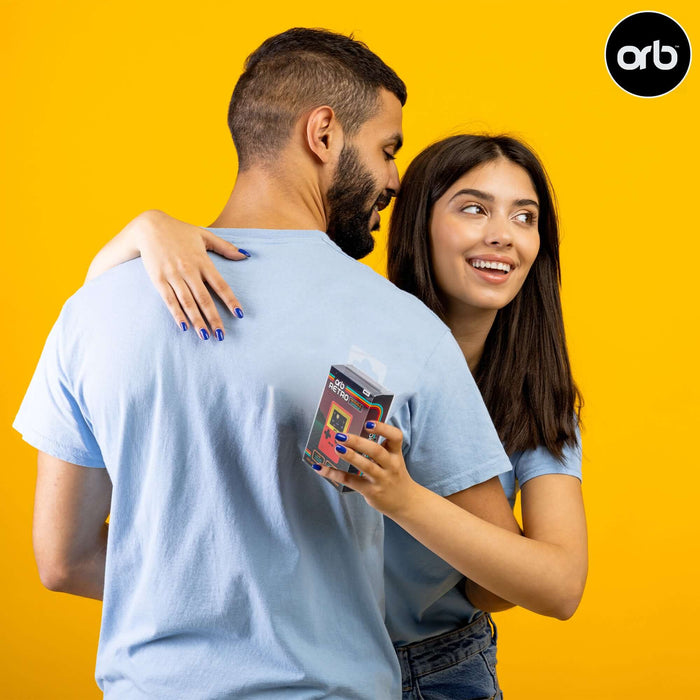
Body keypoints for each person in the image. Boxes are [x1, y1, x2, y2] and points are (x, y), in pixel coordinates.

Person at [14, 28, 521, 699]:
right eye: (387, 149)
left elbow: (62, 559)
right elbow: (497, 580)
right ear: (324, 134)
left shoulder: (96, 306)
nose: (395, 179)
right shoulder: (401, 327)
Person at [91, 135, 587, 699]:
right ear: (417, 224)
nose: (502, 233)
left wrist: (404, 498)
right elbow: (103, 321)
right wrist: (144, 230)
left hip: (443, 669)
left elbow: (554, 585)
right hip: (301, 665)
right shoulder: (350, 336)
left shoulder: (535, 395)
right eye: (474, 208)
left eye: (525, 216)